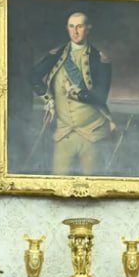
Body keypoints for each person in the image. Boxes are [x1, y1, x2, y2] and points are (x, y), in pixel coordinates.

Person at [31, 11, 114, 176]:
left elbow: (100, 97)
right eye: (71, 27)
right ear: (67, 29)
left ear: (88, 29)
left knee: (92, 182)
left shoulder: (100, 59)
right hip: (63, 133)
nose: (75, 32)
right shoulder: (56, 55)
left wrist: (75, 92)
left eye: (79, 27)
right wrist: (48, 100)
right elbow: (33, 76)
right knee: (58, 181)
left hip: (92, 132)